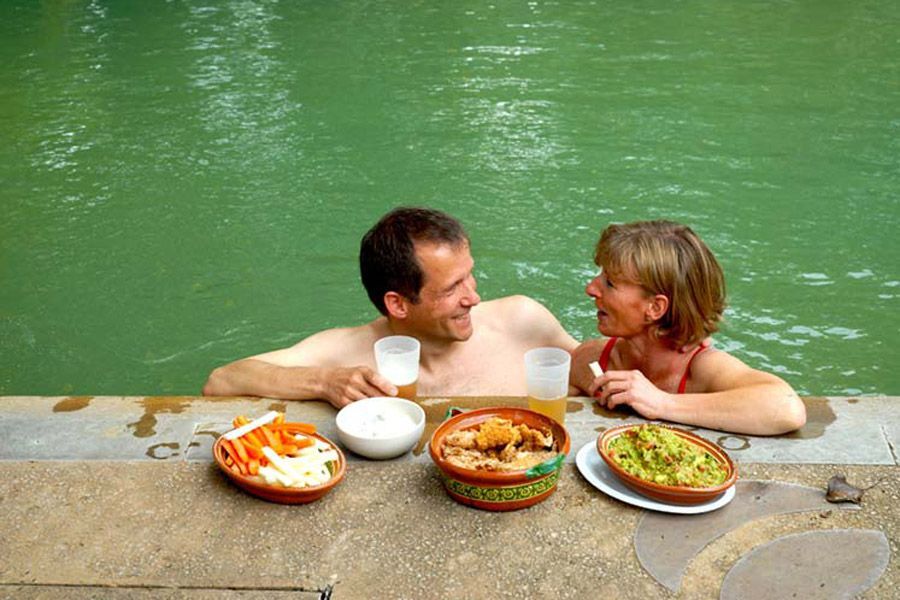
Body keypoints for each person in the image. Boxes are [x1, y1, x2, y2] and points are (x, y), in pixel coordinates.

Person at [203, 207, 577, 408]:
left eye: (470, 276)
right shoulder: (347, 352)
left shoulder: (521, 322)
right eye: (452, 288)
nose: (473, 297)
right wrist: (325, 382)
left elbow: (594, 367)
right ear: (397, 304)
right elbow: (222, 380)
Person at [569, 220, 806, 435]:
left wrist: (661, 403)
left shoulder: (702, 369)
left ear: (655, 307)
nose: (591, 288)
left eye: (610, 283)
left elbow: (787, 408)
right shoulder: (591, 361)